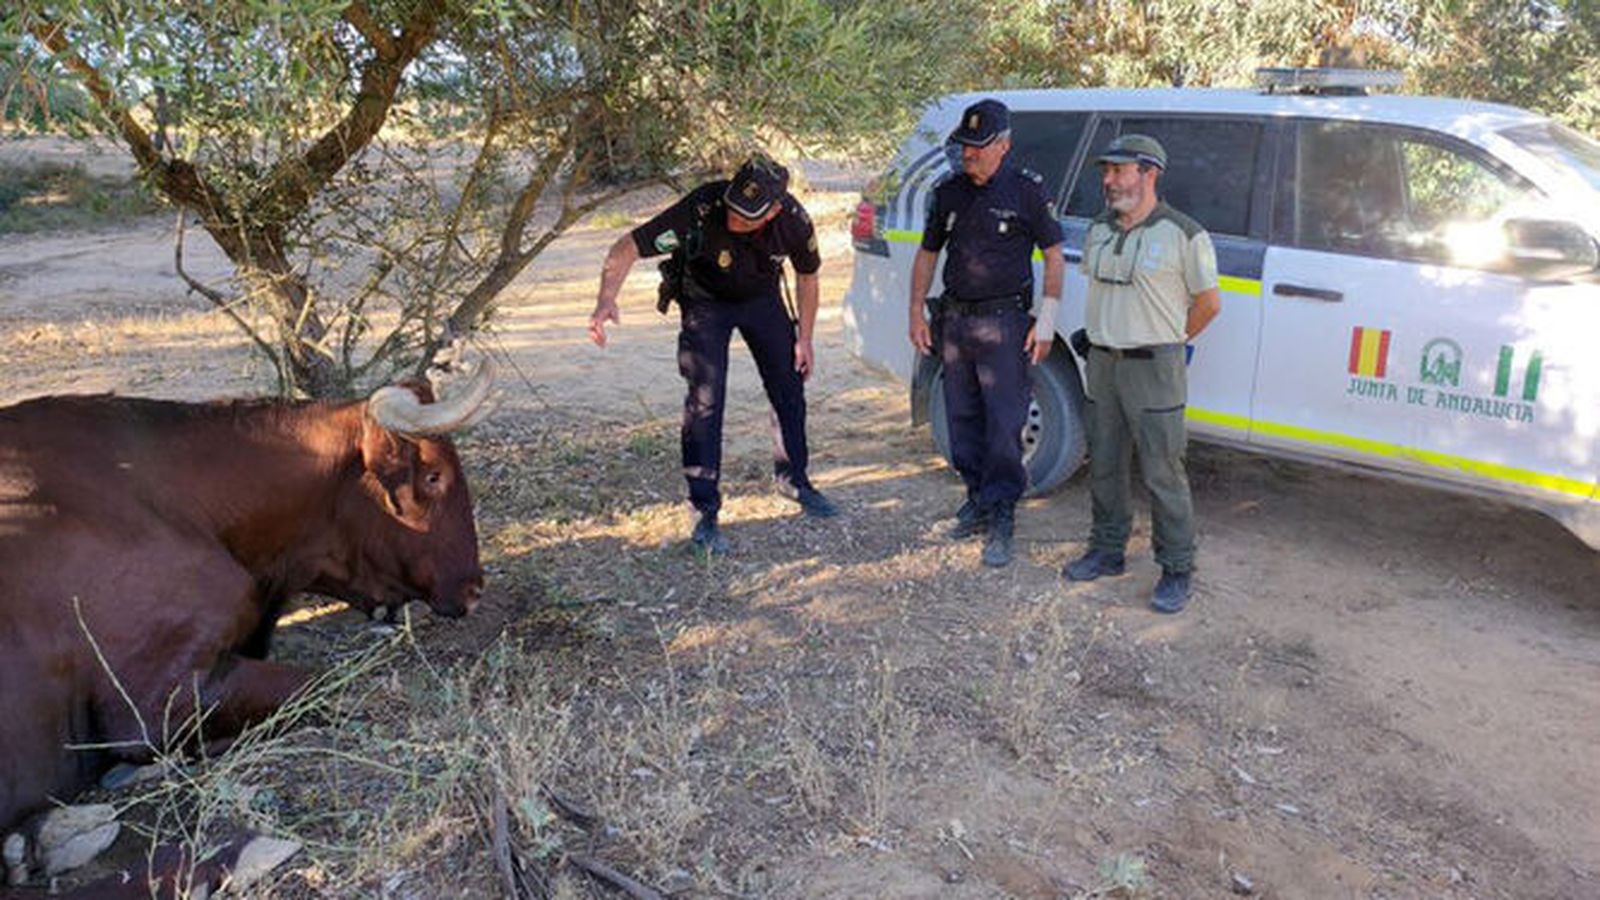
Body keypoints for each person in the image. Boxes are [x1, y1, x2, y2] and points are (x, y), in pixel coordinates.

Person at [589, 153, 838, 556]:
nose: (735, 221)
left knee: (788, 384)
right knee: (705, 400)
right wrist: (605, 301)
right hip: (705, 302)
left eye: (748, 217)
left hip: (762, 299)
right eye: (734, 210)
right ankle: (704, 508)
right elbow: (627, 247)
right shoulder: (705, 207)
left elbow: (807, 276)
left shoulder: (793, 218)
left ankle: (796, 480)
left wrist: (804, 338)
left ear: (774, 210)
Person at [1061, 134, 1221, 613]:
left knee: (1162, 470)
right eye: (1105, 171)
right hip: (1104, 364)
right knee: (1105, 462)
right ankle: (1108, 550)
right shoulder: (1099, 230)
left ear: (1149, 173)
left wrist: (1170, 340)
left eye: (1118, 170)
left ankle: (1176, 567)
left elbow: (1209, 304)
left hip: (1155, 367)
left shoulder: (1184, 234)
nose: (1108, 181)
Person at [909, 98, 1065, 568]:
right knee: (962, 421)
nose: (969, 154)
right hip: (955, 322)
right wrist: (916, 310)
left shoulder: (1027, 191)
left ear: (1004, 145)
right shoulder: (949, 191)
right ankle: (976, 498)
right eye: (965, 145)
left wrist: (1049, 318)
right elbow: (928, 253)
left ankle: (1001, 513)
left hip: (1005, 324)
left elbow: (1054, 254)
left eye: (979, 147)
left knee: (1003, 423)